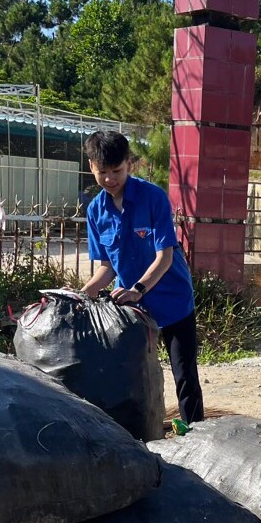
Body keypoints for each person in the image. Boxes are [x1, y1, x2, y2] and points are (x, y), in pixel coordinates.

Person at [79, 130, 204, 425]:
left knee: (184, 375)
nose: (110, 179)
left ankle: (196, 432)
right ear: (91, 167)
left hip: (172, 301)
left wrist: (138, 288)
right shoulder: (96, 211)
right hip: (132, 310)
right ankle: (139, 436)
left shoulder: (153, 198)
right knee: (132, 377)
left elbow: (165, 257)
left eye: (117, 171)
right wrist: (82, 295)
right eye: (103, 172)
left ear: (129, 164)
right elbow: (107, 268)